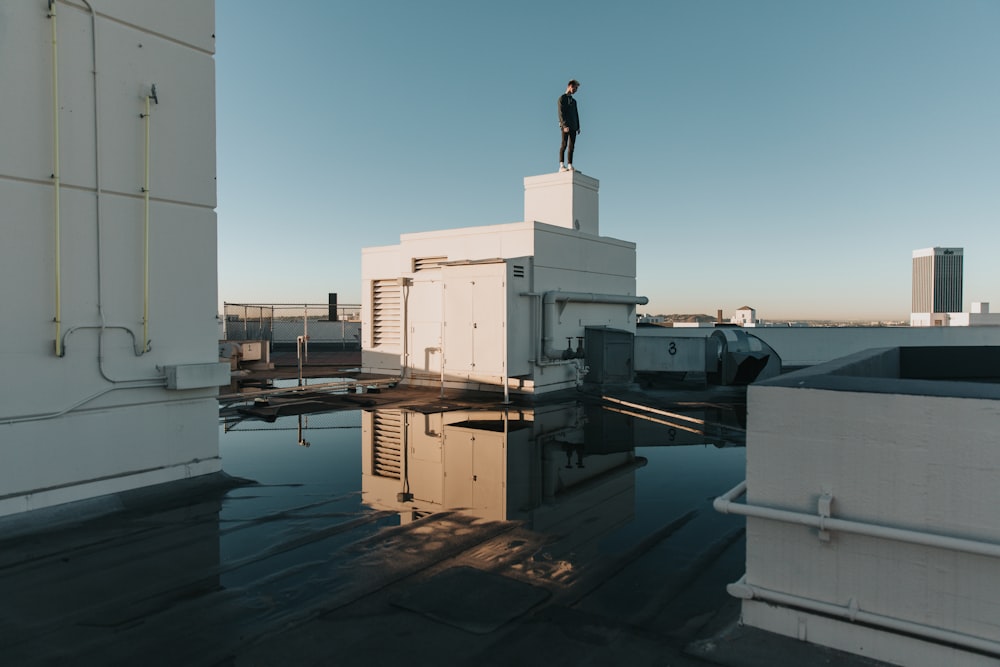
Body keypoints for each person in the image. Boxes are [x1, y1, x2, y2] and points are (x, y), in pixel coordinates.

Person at [558, 79, 580, 172]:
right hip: (565, 126)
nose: (576, 90)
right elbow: (560, 113)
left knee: (572, 146)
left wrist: (578, 126)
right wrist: (564, 125)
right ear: (570, 86)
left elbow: (576, 113)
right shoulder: (562, 98)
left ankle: (570, 164)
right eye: (575, 88)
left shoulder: (574, 101)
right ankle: (562, 165)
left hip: (573, 126)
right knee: (564, 144)